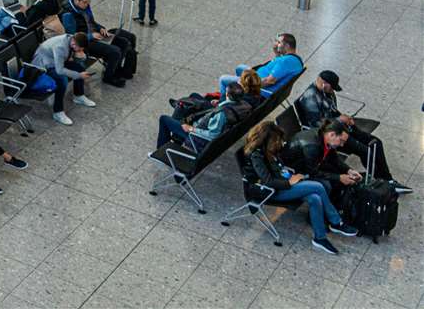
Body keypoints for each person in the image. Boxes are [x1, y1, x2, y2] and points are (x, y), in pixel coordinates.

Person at [243, 122, 358, 255]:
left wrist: (291, 177)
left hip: (284, 182)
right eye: (277, 140)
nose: (280, 143)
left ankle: (320, 238)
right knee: (318, 186)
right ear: (267, 139)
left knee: (314, 198)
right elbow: (267, 181)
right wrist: (290, 182)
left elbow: (279, 170)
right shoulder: (256, 155)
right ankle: (336, 222)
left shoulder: (270, 150)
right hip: (270, 191)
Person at [294, 70, 407, 191]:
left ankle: (387, 179)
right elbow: (317, 124)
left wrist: (344, 118)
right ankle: (382, 181)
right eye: (332, 88)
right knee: (365, 150)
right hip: (330, 135)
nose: (333, 91)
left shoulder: (327, 92)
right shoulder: (310, 98)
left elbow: (333, 111)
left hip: (339, 129)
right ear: (324, 84)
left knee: (376, 142)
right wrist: (339, 120)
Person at [153, 81, 251, 155]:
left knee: (164, 119)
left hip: (197, 138)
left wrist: (191, 129)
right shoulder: (245, 105)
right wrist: (219, 103)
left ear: (228, 95)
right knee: (194, 95)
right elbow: (229, 111)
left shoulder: (221, 114)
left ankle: (161, 150)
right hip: (214, 117)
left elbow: (212, 135)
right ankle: (181, 107)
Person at [60, 0, 131, 86]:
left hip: (94, 35)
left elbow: (91, 22)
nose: (87, 5)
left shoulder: (84, 8)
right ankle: (108, 77)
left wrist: (100, 28)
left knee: (124, 42)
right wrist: (90, 36)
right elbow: (72, 36)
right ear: (76, 0)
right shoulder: (68, 14)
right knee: (115, 51)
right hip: (85, 42)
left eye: (88, 2)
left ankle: (115, 69)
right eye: (85, 2)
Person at [33, 31, 98, 125]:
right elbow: (59, 70)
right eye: (79, 48)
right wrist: (79, 76)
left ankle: (78, 96)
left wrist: (81, 57)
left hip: (55, 61)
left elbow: (69, 59)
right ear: (74, 44)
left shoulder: (72, 39)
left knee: (79, 68)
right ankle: (58, 112)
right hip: (43, 66)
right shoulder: (60, 47)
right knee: (62, 80)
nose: (80, 50)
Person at [221, 32, 303, 96]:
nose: (276, 44)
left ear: (287, 46)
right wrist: (276, 53)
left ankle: (224, 104)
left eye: (279, 42)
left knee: (223, 79)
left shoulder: (285, 62)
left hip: (261, 88)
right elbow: (279, 69)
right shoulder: (295, 59)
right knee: (240, 68)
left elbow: (269, 81)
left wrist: (245, 84)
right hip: (258, 76)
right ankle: (238, 95)